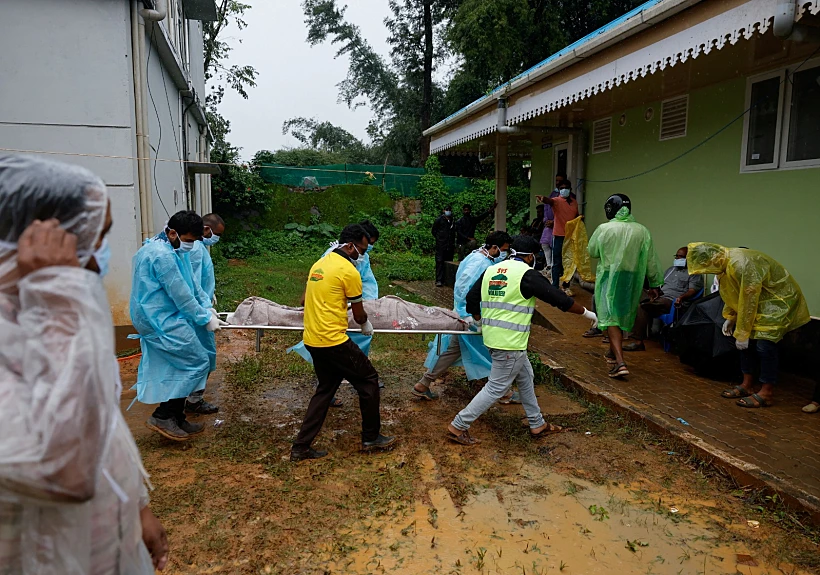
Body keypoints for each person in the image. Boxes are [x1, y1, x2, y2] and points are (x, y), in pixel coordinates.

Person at [0, 154, 168, 572]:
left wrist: (136, 507)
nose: (97, 259)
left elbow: (101, 420)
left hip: (108, 543)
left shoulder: (45, 316)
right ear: (27, 242)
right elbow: (62, 471)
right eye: (90, 237)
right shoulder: (57, 312)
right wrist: (60, 295)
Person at [446, 236, 598, 444]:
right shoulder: (526, 275)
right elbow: (559, 299)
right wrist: (587, 314)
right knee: (496, 388)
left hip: (494, 339)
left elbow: (472, 299)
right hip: (510, 343)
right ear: (529, 257)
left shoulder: (492, 270)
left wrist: (479, 319)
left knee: (526, 375)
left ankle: (537, 423)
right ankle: (458, 425)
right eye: (535, 256)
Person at [290, 224, 395, 461]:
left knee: (325, 389)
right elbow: (358, 315)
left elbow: (306, 299)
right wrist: (366, 325)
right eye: (362, 249)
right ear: (349, 246)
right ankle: (371, 437)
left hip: (313, 339)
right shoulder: (349, 272)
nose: (363, 255)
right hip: (333, 341)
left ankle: (301, 447)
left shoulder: (319, 265)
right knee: (368, 381)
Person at [131, 210, 224, 441]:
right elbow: (180, 294)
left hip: (169, 316)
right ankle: (163, 415)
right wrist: (203, 318)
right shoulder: (160, 256)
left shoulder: (174, 250)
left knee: (182, 365)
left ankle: (176, 416)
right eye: (189, 241)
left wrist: (206, 307)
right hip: (159, 320)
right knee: (197, 362)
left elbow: (191, 284)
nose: (191, 246)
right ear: (172, 233)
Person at [687, 242, 810, 408]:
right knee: (745, 346)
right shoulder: (724, 267)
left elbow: (749, 297)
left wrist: (742, 331)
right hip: (757, 304)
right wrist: (731, 316)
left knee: (764, 346)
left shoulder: (740, 263)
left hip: (778, 303)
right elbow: (732, 293)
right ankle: (747, 384)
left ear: (713, 258)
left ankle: (767, 392)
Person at [288, 220, 383, 406]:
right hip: (333, 328)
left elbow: (367, 282)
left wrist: (372, 304)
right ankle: (371, 433)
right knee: (365, 375)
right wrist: (363, 320)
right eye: (365, 247)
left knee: (327, 384)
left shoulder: (349, 260)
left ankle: (306, 434)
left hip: (322, 330)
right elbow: (310, 294)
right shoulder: (341, 266)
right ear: (350, 245)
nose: (366, 252)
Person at [414, 231, 513, 400]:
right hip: (471, 316)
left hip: (467, 314)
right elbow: (463, 289)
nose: (504, 255)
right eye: (504, 250)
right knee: (488, 352)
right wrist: (472, 314)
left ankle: (423, 384)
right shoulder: (480, 263)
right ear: (495, 248)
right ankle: (504, 392)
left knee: (453, 350)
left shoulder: (477, 257)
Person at [588, 194, 663, 378]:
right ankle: (613, 352)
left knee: (610, 317)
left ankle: (620, 363)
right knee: (621, 314)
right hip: (631, 279)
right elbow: (651, 260)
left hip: (608, 277)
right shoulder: (642, 231)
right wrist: (654, 283)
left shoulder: (604, 229)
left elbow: (592, 251)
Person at [623, 246, 705, 351]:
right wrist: (654, 291)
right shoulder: (671, 270)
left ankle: (639, 340)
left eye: (682, 257)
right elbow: (660, 284)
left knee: (642, 307)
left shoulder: (694, 273)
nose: (678, 259)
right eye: (677, 256)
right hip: (660, 297)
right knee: (636, 298)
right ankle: (636, 338)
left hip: (673, 301)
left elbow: (692, 291)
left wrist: (681, 297)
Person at [185, 212, 226, 415]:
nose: (216, 239)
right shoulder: (193, 250)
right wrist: (203, 310)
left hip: (202, 306)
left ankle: (192, 398)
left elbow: (201, 279)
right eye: (216, 234)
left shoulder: (199, 247)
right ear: (206, 229)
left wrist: (209, 296)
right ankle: (192, 400)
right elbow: (189, 283)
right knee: (202, 357)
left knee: (203, 357)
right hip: (196, 312)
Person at [537, 180, 578, 294]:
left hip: (570, 237)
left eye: (566, 187)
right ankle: (555, 286)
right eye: (562, 188)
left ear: (570, 189)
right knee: (557, 262)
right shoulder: (556, 201)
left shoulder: (574, 202)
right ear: (559, 190)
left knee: (568, 263)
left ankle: (566, 286)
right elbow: (549, 201)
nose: (564, 189)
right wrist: (543, 198)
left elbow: (576, 216)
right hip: (558, 235)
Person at [432, 205, 456, 287]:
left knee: (448, 262)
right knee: (439, 261)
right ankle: (439, 280)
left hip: (450, 245)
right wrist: (440, 239)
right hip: (441, 245)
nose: (448, 211)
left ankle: (446, 280)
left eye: (449, 210)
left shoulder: (452, 220)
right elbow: (434, 231)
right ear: (443, 210)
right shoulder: (439, 220)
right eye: (446, 210)